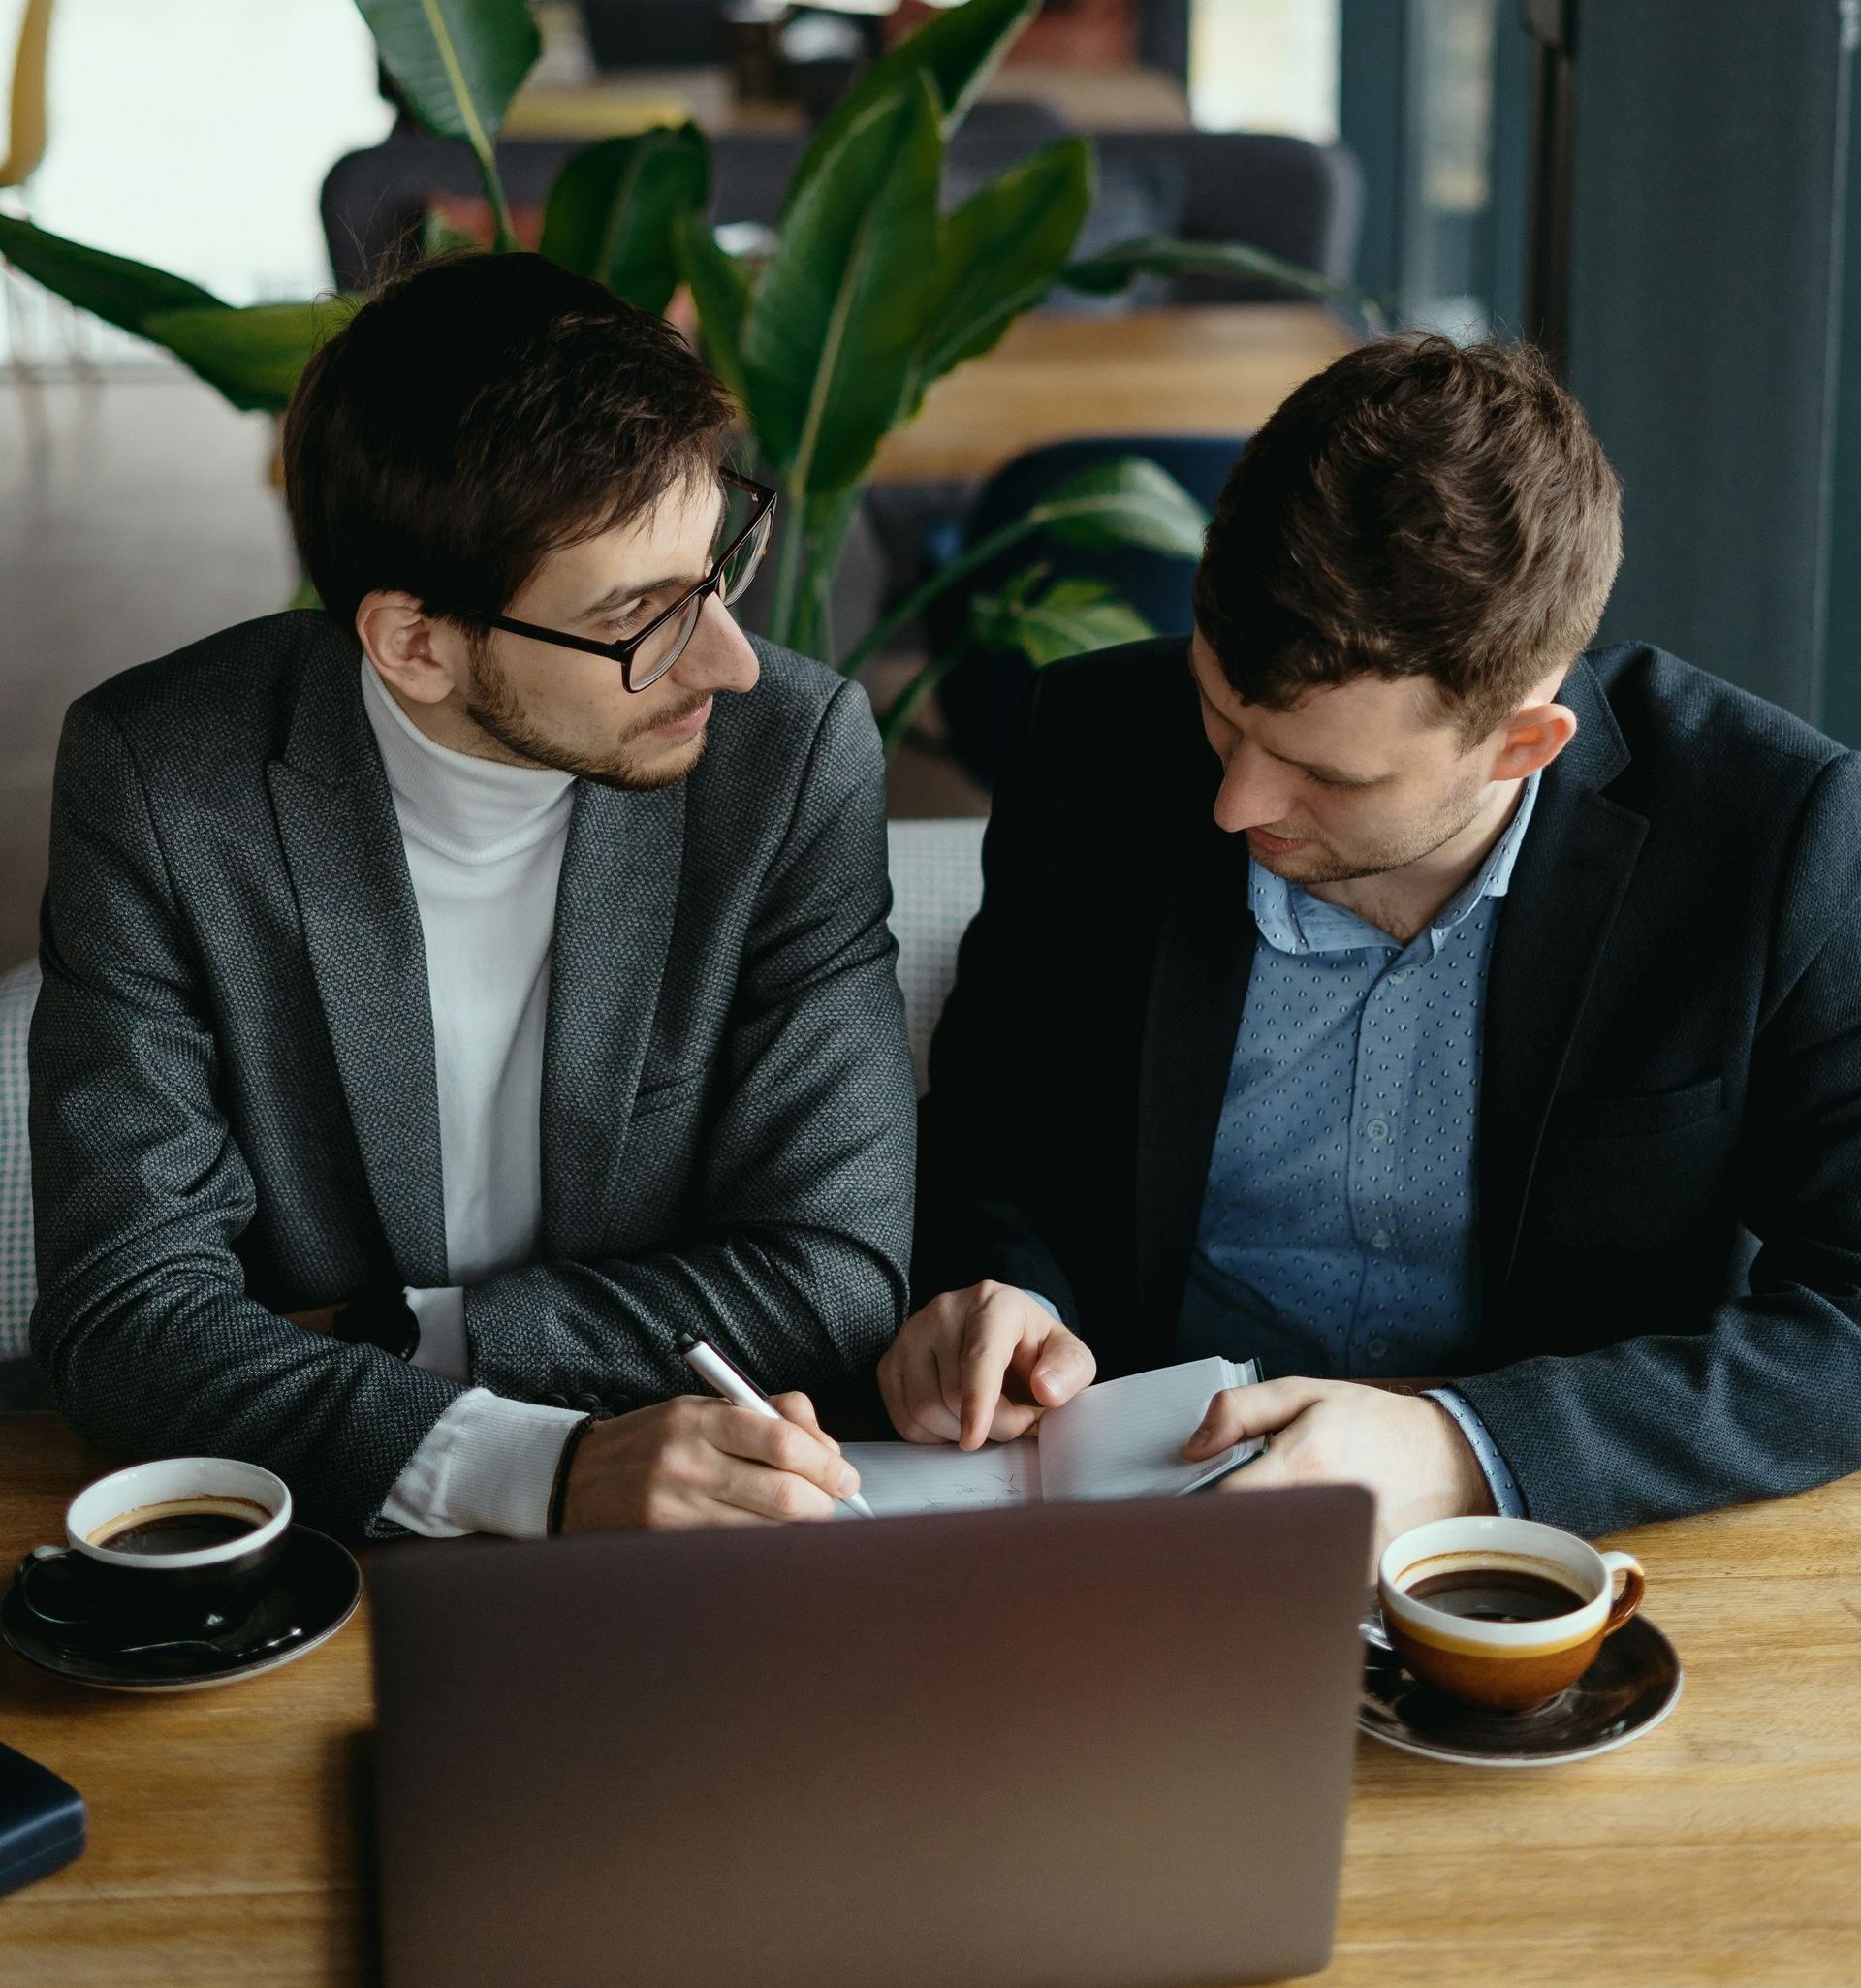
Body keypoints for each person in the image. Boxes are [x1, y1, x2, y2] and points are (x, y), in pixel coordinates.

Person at [890, 333, 1861, 1549]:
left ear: (1524, 746)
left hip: (1556, 1552)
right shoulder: (1091, 745)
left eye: (1321, 771)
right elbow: (992, 1129)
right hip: (1149, 1525)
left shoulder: (1772, 835)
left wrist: (1465, 1443)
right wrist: (1001, 1291)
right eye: (1221, 710)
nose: (1235, 802)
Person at [29, 252, 914, 1542]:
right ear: (415, 643)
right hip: (312, 1547)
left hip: (711, 1534)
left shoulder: (788, 760)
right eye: (641, 616)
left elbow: (836, 1273)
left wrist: (406, 1334)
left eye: (716, 564)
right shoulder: (166, 780)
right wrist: (537, 1469)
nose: (727, 656)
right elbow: (128, 1314)